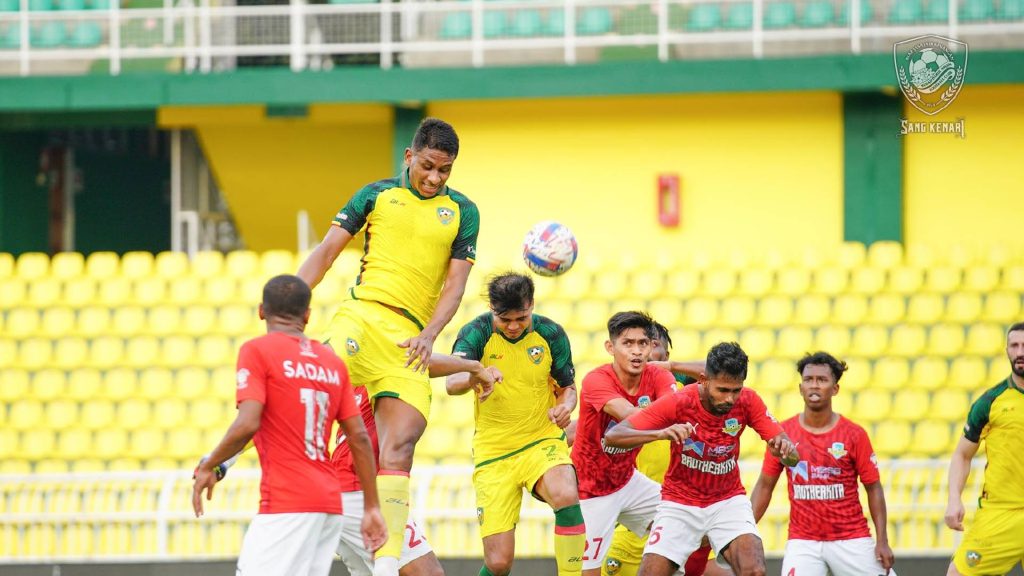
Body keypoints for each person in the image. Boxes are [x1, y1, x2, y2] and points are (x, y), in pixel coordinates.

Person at [297, 118, 479, 576]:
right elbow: (325, 252)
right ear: (409, 157)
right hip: (363, 315)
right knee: (313, 384)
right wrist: (289, 301)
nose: (435, 178)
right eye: (429, 166)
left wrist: (430, 334)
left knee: (401, 447)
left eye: (446, 171)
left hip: (410, 338)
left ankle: (388, 564)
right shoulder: (375, 195)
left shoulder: (463, 212)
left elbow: (455, 286)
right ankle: (269, 475)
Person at [192, 275, 387, 576]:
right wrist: (372, 508)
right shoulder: (331, 363)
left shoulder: (257, 351)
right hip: (329, 503)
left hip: (287, 500)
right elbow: (359, 437)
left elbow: (248, 423)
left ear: (261, 311)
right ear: (307, 316)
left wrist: (210, 464)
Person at [604, 341, 799, 576]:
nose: (730, 399)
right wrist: (660, 434)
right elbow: (614, 435)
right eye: (722, 390)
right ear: (703, 379)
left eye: (735, 390)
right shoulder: (679, 401)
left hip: (727, 501)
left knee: (754, 570)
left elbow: (792, 455)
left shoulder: (748, 401)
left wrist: (785, 453)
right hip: (679, 503)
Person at [447, 272, 584, 576]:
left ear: (531, 305)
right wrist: (477, 373)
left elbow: (568, 388)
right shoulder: (476, 332)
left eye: (520, 318)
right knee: (498, 564)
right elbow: (452, 383)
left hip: (541, 441)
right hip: (494, 453)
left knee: (565, 493)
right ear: (493, 310)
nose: (512, 326)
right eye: (504, 319)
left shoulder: (551, 333)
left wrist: (565, 407)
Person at [749, 351, 895, 576]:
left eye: (822, 380)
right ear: (800, 388)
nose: (814, 386)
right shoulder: (783, 434)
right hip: (803, 541)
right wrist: (745, 530)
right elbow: (765, 485)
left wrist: (882, 540)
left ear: (835, 389)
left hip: (851, 538)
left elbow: (873, 488)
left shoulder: (854, 435)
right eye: (808, 380)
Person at [601, 321, 729, 576]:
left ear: (665, 356)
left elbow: (721, 373)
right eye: (633, 344)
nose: (642, 352)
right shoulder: (613, 392)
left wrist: (670, 368)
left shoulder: (684, 387)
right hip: (636, 514)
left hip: (685, 510)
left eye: (650, 344)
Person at [570, 311, 678, 576]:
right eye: (627, 344)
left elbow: (673, 407)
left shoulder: (658, 377)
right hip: (590, 490)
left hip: (628, 481)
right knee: (588, 573)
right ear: (611, 347)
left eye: (643, 343)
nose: (637, 351)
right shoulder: (596, 380)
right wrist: (663, 423)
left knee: (683, 522)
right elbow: (631, 417)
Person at [944, 322, 1024, 576]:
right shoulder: (991, 402)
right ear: (1007, 351)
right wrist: (954, 498)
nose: (1020, 351)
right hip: (1002, 512)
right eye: (1014, 345)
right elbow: (962, 454)